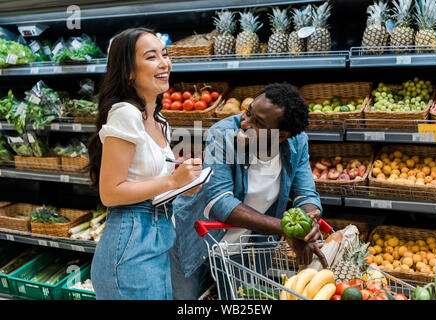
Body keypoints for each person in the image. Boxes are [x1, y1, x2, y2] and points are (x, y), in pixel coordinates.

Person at [169, 82, 328, 300]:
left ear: (281, 135)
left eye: (258, 123)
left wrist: (307, 223)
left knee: (239, 299)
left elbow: (306, 194)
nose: (244, 123)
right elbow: (220, 202)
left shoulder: (296, 142)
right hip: (195, 237)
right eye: (248, 112)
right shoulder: (222, 134)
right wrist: (285, 228)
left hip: (243, 245)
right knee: (184, 298)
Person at [87, 27, 202, 300]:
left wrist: (185, 184)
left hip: (159, 236)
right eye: (151, 57)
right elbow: (110, 192)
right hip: (130, 242)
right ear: (128, 71)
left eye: (164, 54)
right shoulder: (125, 114)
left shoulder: (160, 121)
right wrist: (172, 181)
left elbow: (146, 180)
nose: (164, 63)